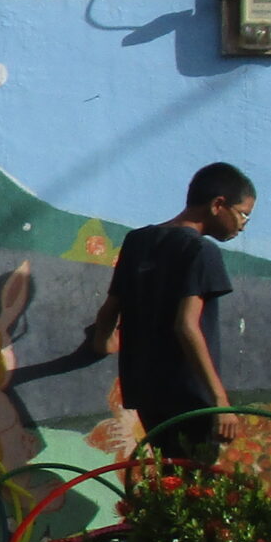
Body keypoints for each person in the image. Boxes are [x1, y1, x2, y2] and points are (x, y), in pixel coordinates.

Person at [82, 162, 257, 461]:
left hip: (146, 393)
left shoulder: (138, 241)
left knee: (171, 475)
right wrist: (219, 400)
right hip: (190, 396)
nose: (243, 225)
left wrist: (103, 342)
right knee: (195, 482)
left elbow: (110, 309)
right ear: (218, 205)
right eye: (243, 214)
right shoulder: (201, 251)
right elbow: (186, 325)